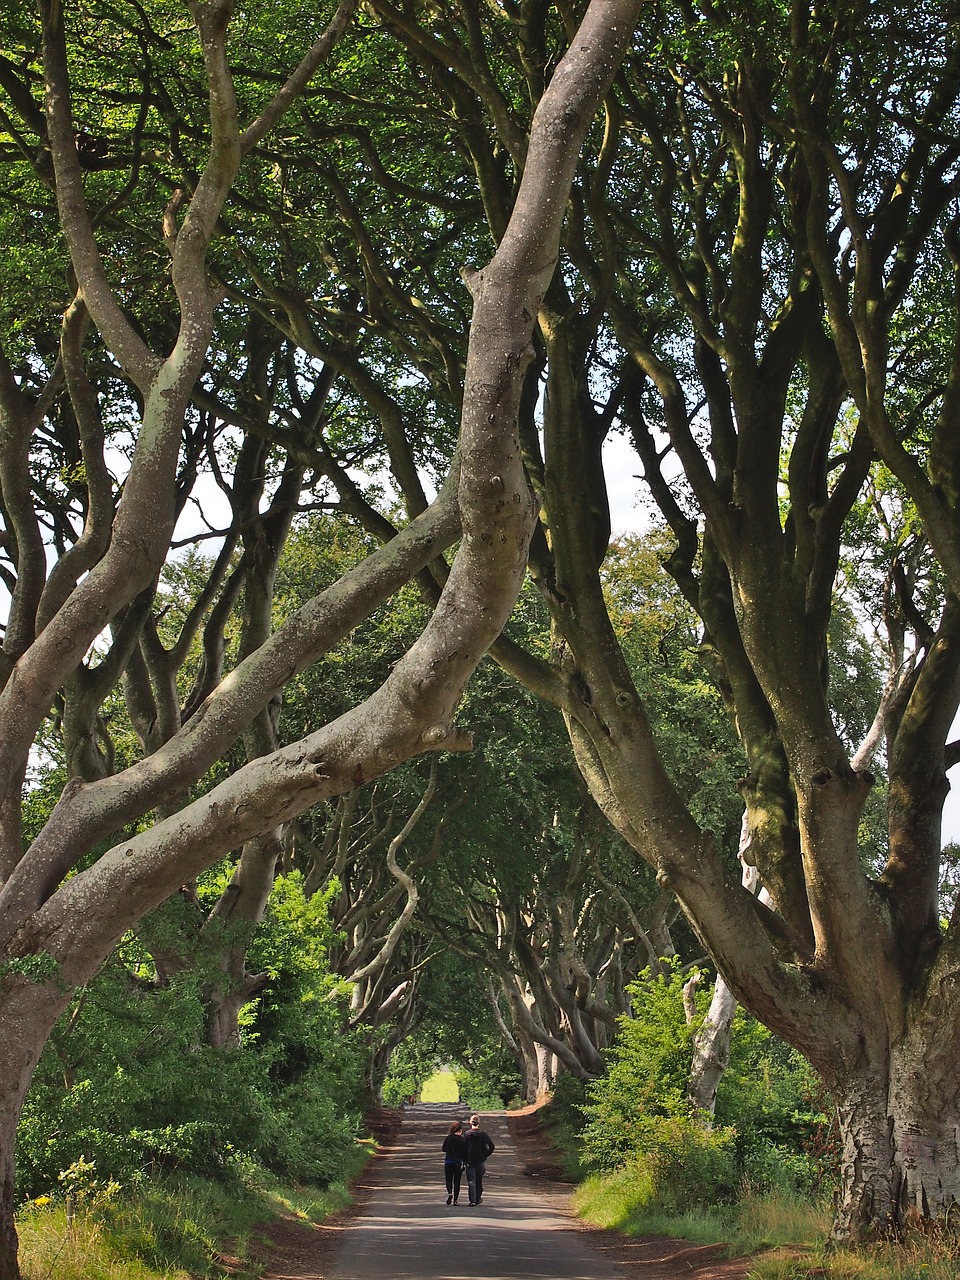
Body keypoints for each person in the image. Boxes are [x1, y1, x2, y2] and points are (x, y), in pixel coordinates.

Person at [463, 1112, 495, 1205]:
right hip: (480, 1160)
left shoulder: (467, 1134)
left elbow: (463, 1147)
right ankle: (478, 1198)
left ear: (470, 1122)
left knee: (471, 1180)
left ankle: (472, 1200)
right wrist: (485, 1155)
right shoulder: (482, 1134)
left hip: (469, 1161)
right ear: (479, 1122)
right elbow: (491, 1146)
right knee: (479, 1180)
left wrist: (464, 1158)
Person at [441, 1120, 467, 1205]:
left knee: (448, 1179)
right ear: (460, 1130)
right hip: (458, 1162)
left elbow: (444, 1149)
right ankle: (455, 1200)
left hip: (448, 1161)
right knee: (457, 1181)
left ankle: (450, 1193)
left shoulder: (448, 1138)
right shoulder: (462, 1139)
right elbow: (465, 1151)